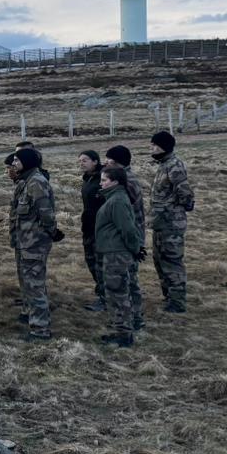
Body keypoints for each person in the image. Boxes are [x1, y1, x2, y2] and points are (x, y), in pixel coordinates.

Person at [12, 147, 58, 340]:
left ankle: (40, 331)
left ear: (27, 162)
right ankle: (35, 321)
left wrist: (49, 233)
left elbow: (46, 214)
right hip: (26, 243)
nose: (13, 164)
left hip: (34, 244)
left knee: (35, 286)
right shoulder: (27, 181)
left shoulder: (36, 183)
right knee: (31, 285)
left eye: (17, 160)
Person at [94, 164, 141, 347]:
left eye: (104, 180)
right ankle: (120, 329)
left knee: (117, 293)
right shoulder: (115, 198)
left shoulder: (117, 201)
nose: (101, 184)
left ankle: (123, 334)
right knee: (116, 292)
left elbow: (128, 229)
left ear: (115, 181)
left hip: (116, 254)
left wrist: (135, 249)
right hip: (113, 252)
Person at [150, 130, 193, 312]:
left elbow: (185, 193)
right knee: (159, 259)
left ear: (163, 147)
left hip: (171, 224)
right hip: (161, 223)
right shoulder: (164, 165)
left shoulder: (174, 166)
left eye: (154, 145)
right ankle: (168, 296)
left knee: (171, 261)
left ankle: (177, 302)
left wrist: (173, 210)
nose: (150, 148)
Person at [104, 145, 147, 332]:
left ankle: (130, 320)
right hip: (129, 236)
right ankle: (135, 318)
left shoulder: (125, 183)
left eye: (109, 161)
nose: (106, 163)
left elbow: (124, 218)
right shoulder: (126, 179)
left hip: (127, 239)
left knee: (127, 281)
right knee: (129, 279)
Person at [77, 150, 105, 310]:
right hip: (88, 226)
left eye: (85, 160)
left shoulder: (103, 178)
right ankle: (102, 294)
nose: (81, 163)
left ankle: (105, 298)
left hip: (100, 228)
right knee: (91, 261)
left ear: (95, 161)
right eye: (80, 160)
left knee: (100, 263)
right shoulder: (88, 179)